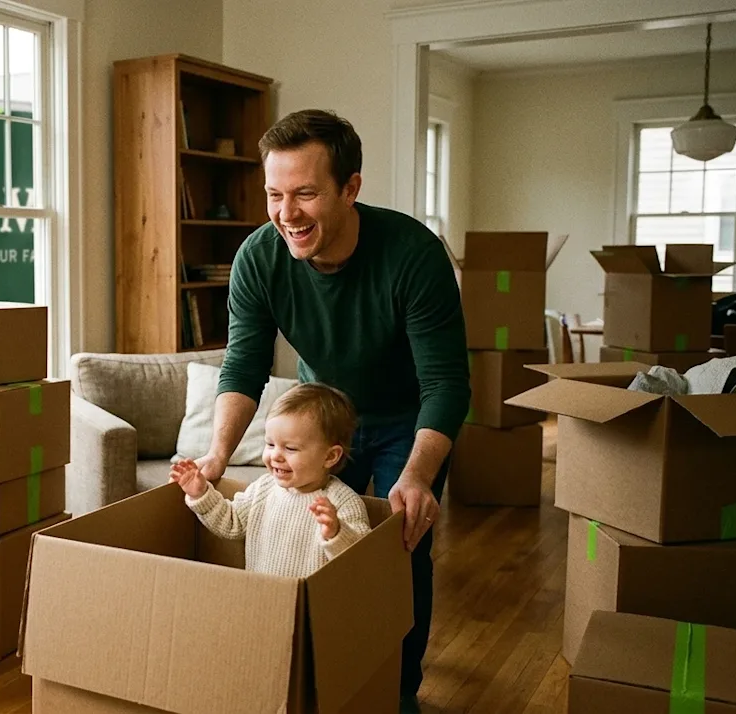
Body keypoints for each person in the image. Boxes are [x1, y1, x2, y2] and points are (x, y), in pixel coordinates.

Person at [194, 109, 469, 712]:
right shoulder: (259, 257)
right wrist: (216, 454)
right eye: (274, 194)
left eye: (305, 193)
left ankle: (396, 690)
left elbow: (446, 383)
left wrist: (418, 475)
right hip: (324, 419)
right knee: (314, 544)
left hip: (407, 421)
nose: (286, 213)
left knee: (399, 552)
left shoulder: (413, 255)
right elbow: (243, 365)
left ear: (350, 188)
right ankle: (317, 674)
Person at [170, 383, 371, 578]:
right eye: (270, 444)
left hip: (313, 600)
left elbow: (361, 561)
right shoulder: (263, 488)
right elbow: (231, 522)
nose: (275, 456)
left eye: (290, 448)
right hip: (263, 594)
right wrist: (201, 493)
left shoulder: (342, 501)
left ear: (330, 457)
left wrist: (336, 533)